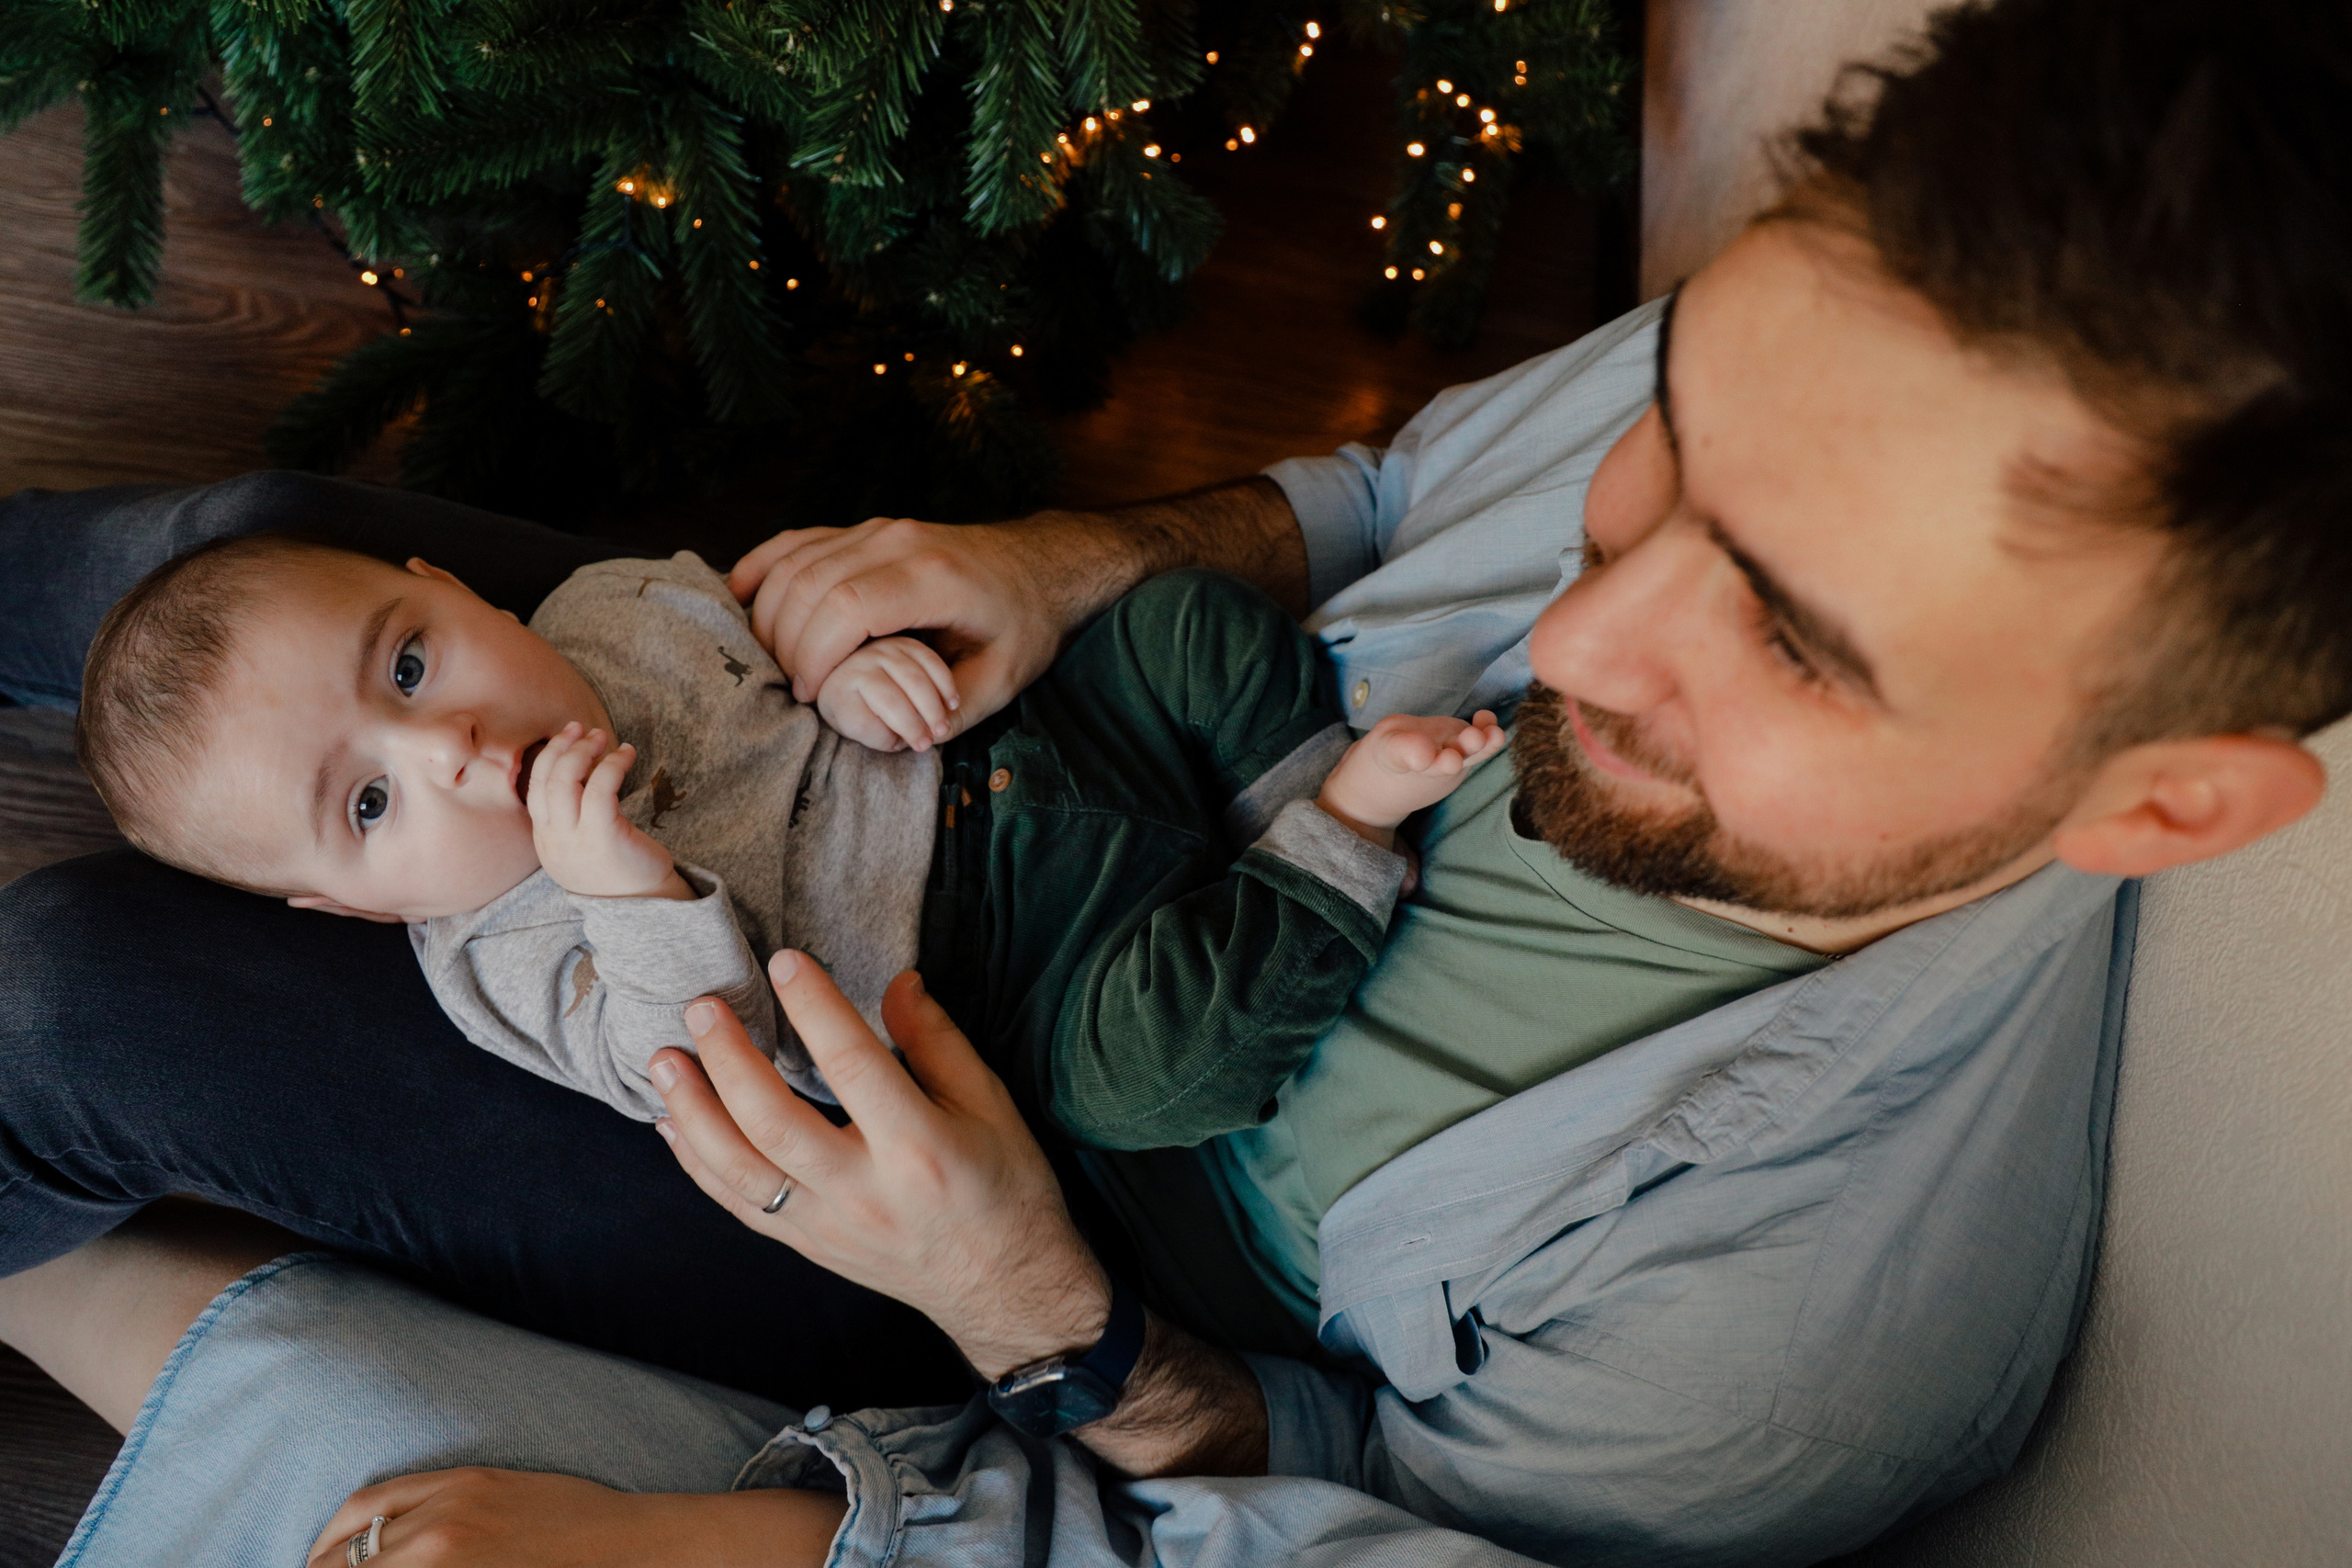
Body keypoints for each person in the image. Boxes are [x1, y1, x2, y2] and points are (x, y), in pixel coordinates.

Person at [3, 0, 2346, 1563]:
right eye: (1665, 463)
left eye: (1785, 636)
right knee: (250, 580)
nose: (1559, 634)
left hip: (968, 1174)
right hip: (1047, 754)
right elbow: (1397, 489)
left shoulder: (1782, 1366)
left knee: (72, 994)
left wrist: (1029, 1297)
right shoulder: (1865, 358)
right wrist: (1070, 556)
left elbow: (1288, 1499)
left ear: (2157, 806)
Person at [72, 537, 1498, 1137]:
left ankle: (1283, 784)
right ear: (358, 911)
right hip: (998, 982)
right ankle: (1335, 842)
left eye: (407, 665)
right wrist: (623, 887)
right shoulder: (501, 959)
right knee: (1151, 1081)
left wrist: (849, 663)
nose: (441, 749)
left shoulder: (611, 610)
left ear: (452, 588)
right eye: (370, 808)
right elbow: (697, 1063)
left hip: (1010, 746)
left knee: (1178, 620)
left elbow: (786, 630)